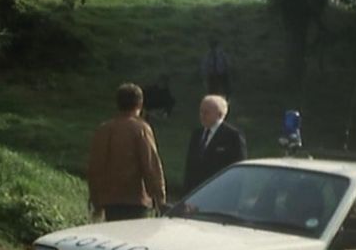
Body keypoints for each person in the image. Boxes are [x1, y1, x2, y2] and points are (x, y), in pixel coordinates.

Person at [88, 83, 166, 221]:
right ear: (140, 104)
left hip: (109, 199)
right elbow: (150, 165)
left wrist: (95, 198)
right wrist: (159, 198)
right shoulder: (141, 128)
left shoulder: (104, 129)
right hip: (135, 199)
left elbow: (95, 167)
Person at [182, 95, 246, 194]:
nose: (202, 115)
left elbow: (238, 169)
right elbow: (190, 167)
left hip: (220, 193)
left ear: (219, 114)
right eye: (201, 111)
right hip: (196, 194)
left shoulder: (232, 136)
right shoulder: (197, 134)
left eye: (206, 112)